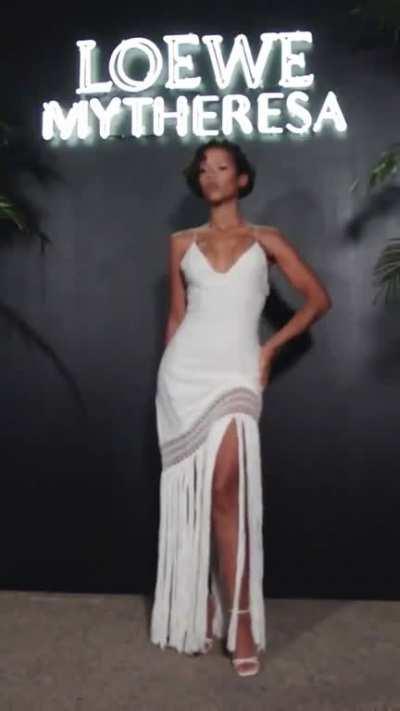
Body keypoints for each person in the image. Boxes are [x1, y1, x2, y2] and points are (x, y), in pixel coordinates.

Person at [150, 138, 332, 677]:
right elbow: (177, 318)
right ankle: (206, 602)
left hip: (237, 371)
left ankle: (242, 617)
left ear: (242, 179)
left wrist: (269, 350)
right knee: (207, 494)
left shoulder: (266, 239)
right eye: (204, 168)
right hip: (184, 376)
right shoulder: (180, 243)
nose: (211, 175)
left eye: (222, 167)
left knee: (227, 487)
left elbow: (318, 299)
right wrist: (166, 382)